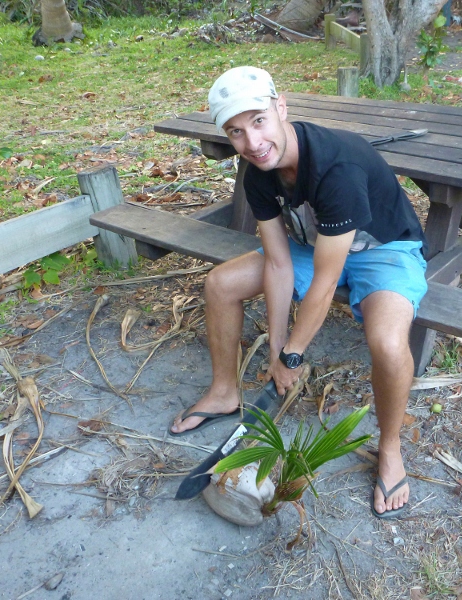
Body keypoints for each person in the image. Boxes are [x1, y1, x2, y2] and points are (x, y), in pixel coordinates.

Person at [168, 66, 428, 519]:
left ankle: (389, 448)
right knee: (221, 283)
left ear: (281, 108)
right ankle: (225, 391)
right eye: (236, 132)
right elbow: (278, 261)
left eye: (259, 121)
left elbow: (326, 286)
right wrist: (275, 344)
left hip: (383, 250)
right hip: (316, 245)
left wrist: (293, 354)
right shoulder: (258, 173)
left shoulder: (337, 166)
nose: (252, 142)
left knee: (388, 344)